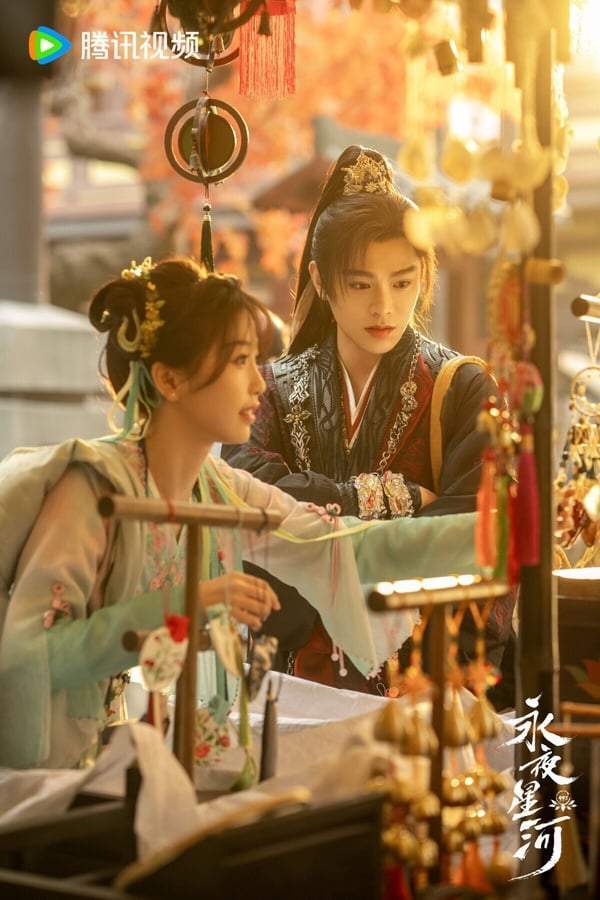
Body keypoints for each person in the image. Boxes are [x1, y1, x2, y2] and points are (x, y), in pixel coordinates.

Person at [0, 256, 479, 770]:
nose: (258, 383)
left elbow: (347, 546)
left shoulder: (218, 488)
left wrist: (495, 534)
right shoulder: (93, 489)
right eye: (239, 361)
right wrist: (185, 607)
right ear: (170, 379)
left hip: (121, 763)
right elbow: (28, 657)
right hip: (41, 776)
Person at [223, 146, 514, 697]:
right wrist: (391, 499)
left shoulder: (463, 388)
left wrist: (315, 534)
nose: (383, 306)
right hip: (291, 674)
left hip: (422, 681)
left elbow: (476, 531)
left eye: (402, 282)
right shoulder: (268, 388)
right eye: (360, 284)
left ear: (423, 277)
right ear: (320, 279)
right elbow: (243, 500)